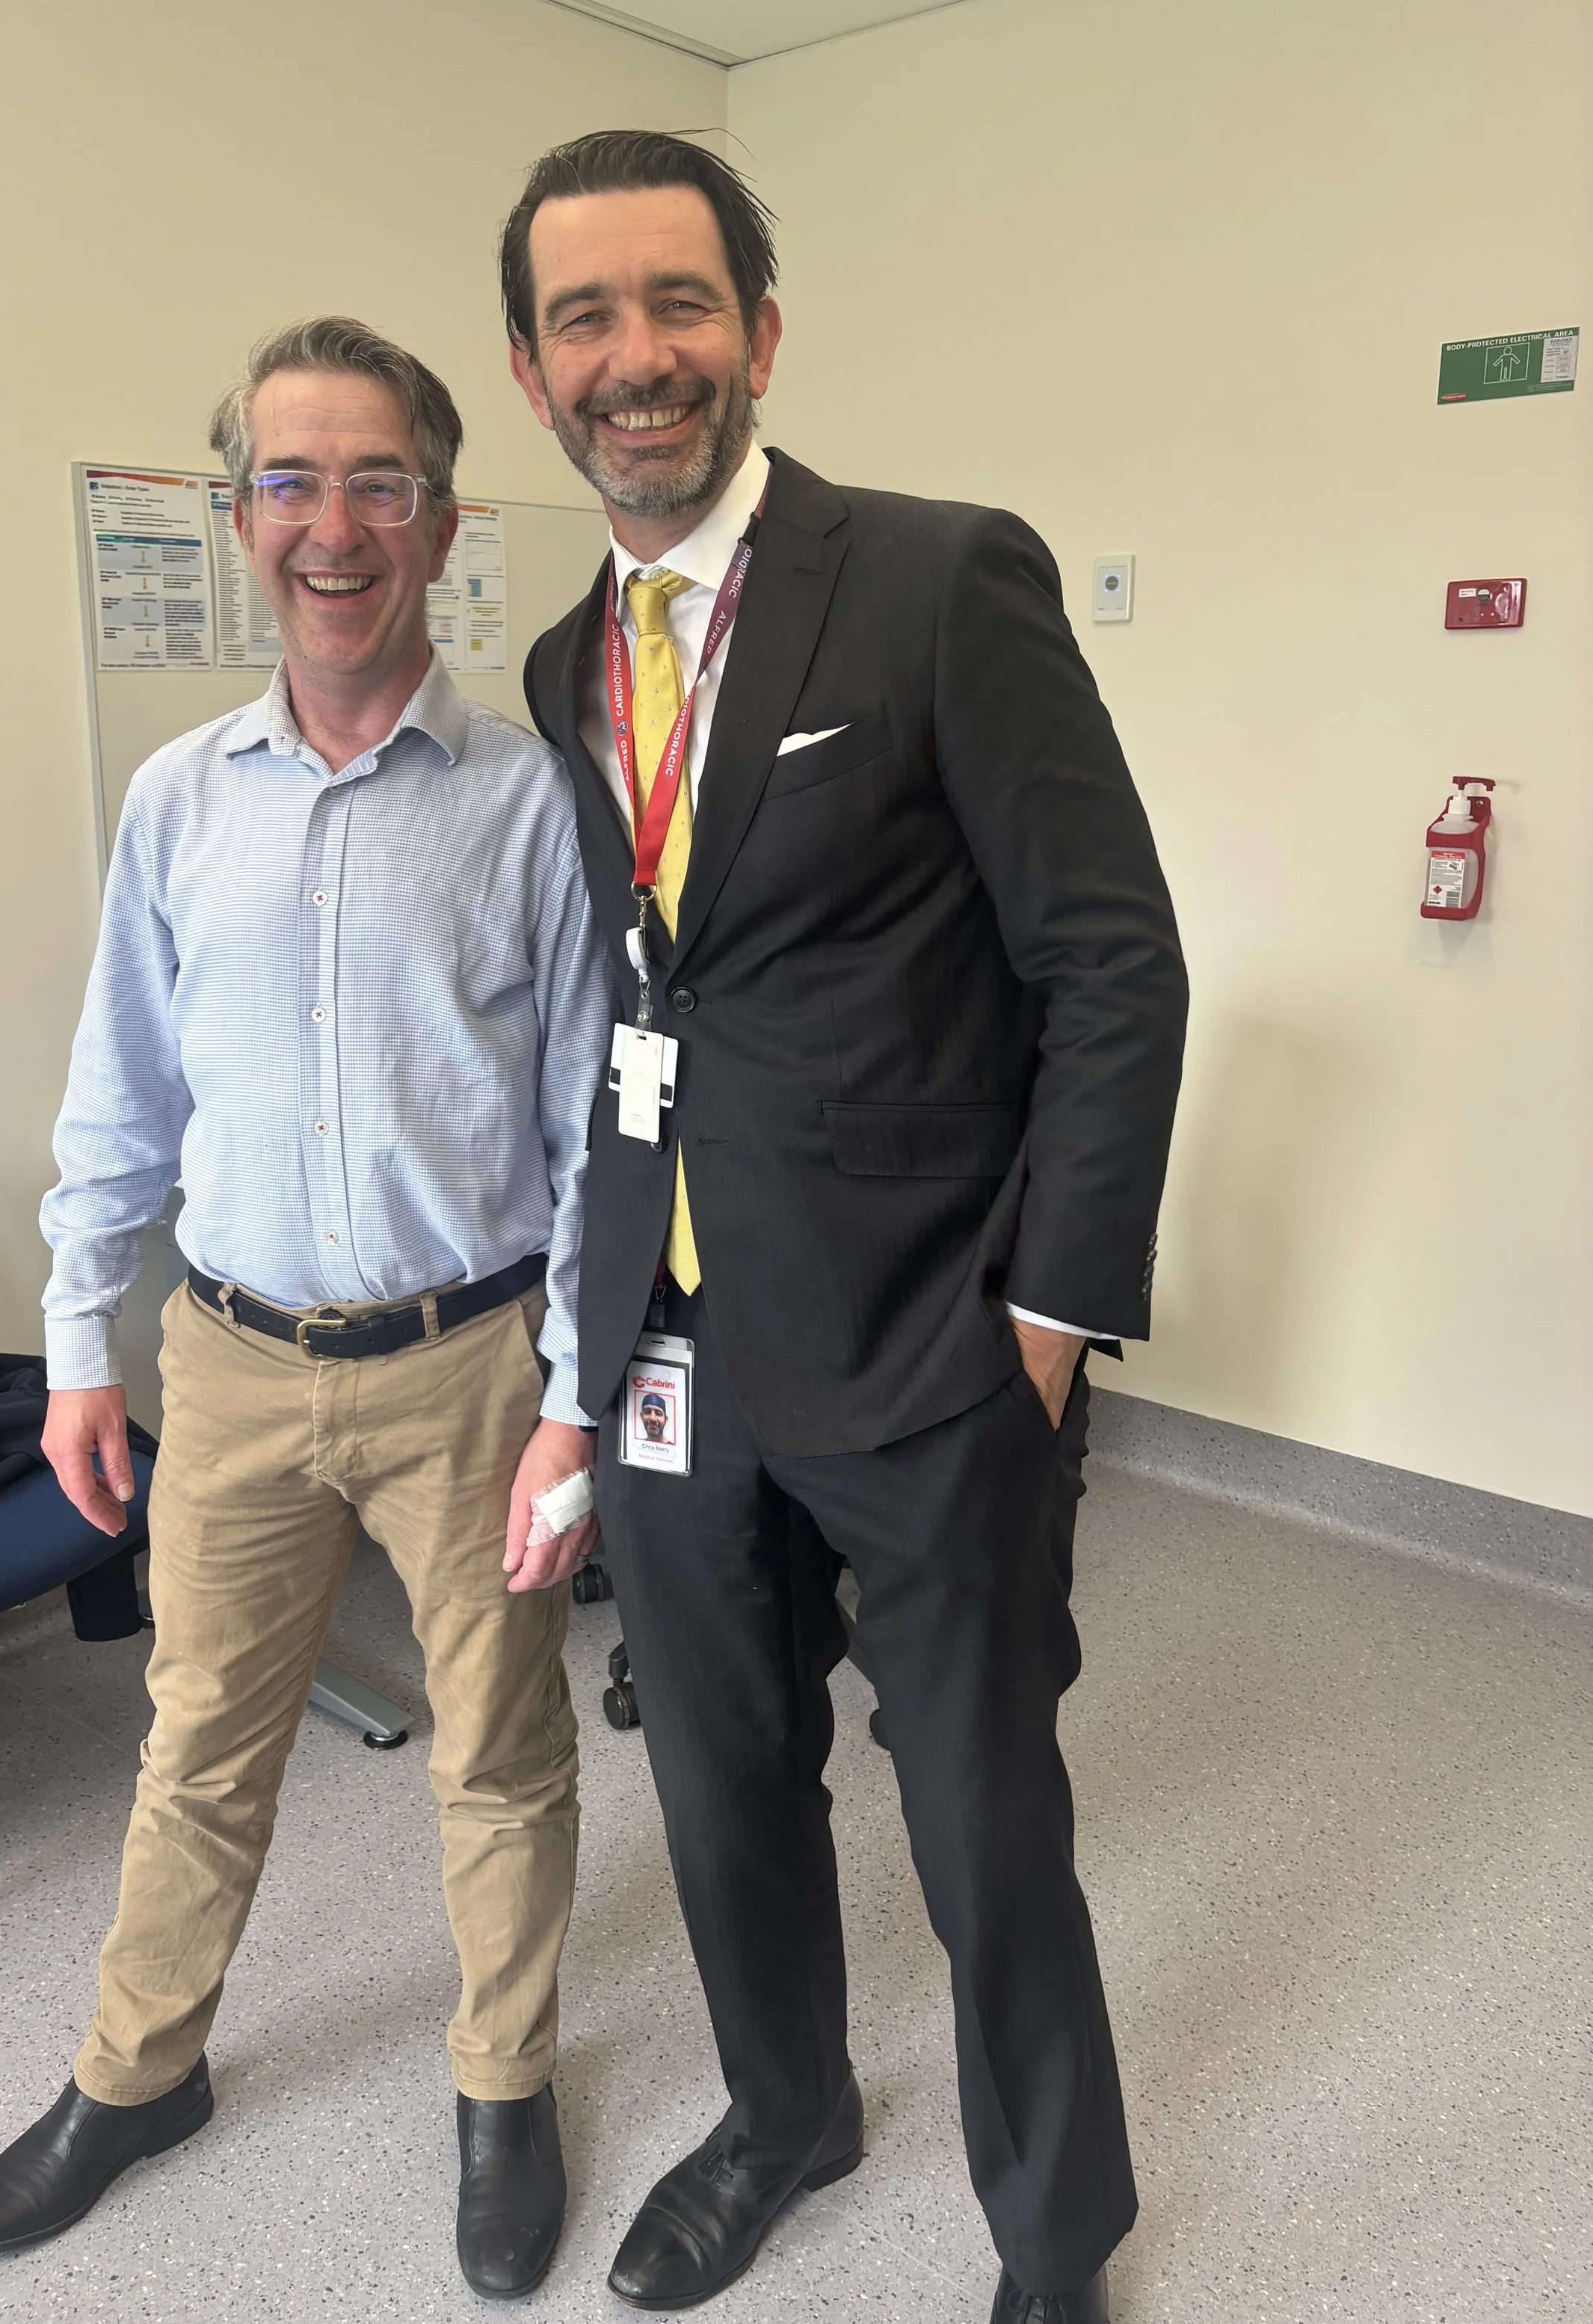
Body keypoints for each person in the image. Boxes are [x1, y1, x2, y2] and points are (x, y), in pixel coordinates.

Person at [502, 133, 1188, 2324]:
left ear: (760, 333)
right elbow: (649, 1002)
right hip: (677, 1348)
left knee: (981, 1813)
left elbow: (1113, 963)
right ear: (533, 373)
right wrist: (580, 1365)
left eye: (678, 304)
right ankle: (783, 2113)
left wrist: (1045, 1328)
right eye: (586, 318)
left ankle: (1056, 2229)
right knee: (715, 1783)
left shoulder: (930, 578)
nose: (639, 358)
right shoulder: (559, 664)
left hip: (925, 1345)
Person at [0, 317, 610, 2299]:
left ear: (443, 515)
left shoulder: (527, 803)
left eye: (378, 480)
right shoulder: (176, 800)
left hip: (477, 1366)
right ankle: (138, 2071)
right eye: (291, 482)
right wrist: (78, 1344)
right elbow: (118, 1096)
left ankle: (502, 2081)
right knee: (198, 1742)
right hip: (228, 1366)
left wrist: (577, 1396)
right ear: (236, 517)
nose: (334, 526)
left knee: (497, 1745)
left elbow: (595, 1126)